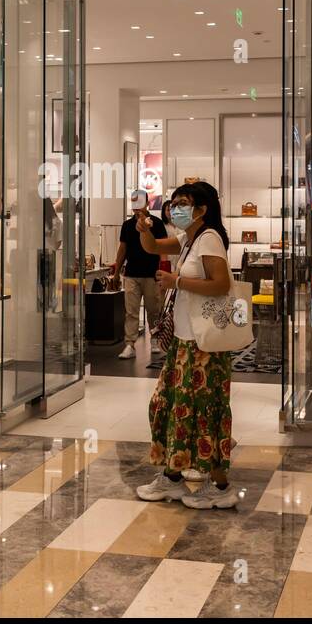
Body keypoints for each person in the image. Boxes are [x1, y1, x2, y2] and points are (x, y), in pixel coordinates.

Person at [133, 181, 239, 510]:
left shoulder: (208, 239)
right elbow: (153, 248)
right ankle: (174, 476)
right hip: (185, 342)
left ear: (202, 209)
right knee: (170, 407)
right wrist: (143, 229)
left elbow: (222, 284)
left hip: (204, 346)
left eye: (183, 203)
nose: (175, 209)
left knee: (204, 413)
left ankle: (220, 486)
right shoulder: (189, 239)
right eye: (173, 203)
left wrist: (176, 281)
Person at [109, 190, 166, 359]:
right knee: (131, 311)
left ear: (147, 203)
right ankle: (130, 344)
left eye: (139, 202)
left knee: (154, 310)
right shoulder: (127, 225)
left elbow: (163, 248)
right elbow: (122, 249)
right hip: (132, 274)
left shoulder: (156, 223)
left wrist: (163, 271)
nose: (136, 207)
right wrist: (117, 271)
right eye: (133, 203)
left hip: (152, 274)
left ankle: (155, 339)